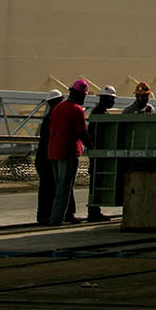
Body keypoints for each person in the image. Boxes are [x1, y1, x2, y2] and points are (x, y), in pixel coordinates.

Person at [41, 79, 91, 225]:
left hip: (53, 152)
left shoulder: (57, 109)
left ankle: (59, 216)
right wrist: (92, 148)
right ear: (80, 95)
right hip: (67, 152)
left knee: (59, 187)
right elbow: (82, 132)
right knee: (64, 187)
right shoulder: (77, 110)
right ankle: (57, 219)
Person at [33, 91, 63, 225]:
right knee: (49, 187)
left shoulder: (49, 118)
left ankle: (44, 215)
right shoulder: (52, 118)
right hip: (48, 158)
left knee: (47, 188)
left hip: (45, 157)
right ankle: (46, 216)